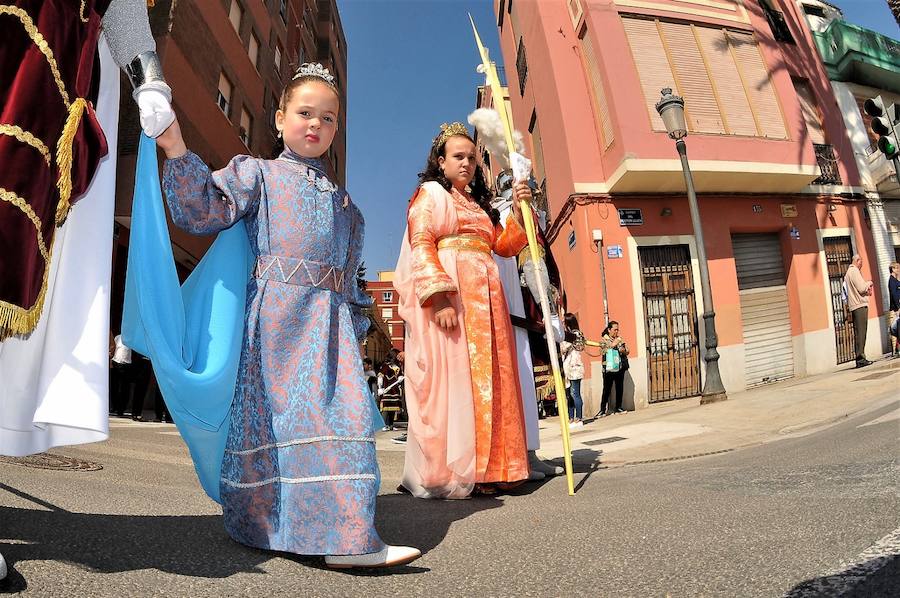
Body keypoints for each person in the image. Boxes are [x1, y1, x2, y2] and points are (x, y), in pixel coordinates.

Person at [152, 63, 418, 568]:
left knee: (341, 418)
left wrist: (358, 324)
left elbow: (351, 278)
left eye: (329, 118)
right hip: (275, 325)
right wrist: (174, 148)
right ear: (279, 118)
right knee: (275, 427)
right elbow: (203, 210)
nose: (315, 125)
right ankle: (266, 525)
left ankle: (347, 538)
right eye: (304, 113)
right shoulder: (258, 174)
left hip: (330, 326)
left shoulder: (348, 206)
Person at [394, 122, 532, 498]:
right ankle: (461, 467)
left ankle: (495, 467)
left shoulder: (479, 205)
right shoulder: (431, 195)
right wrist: (438, 297)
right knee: (461, 382)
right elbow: (421, 241)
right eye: (459, 156)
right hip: (455, 295)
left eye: (472, 157)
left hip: (489, 296)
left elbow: (504, 246)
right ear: (440, 161)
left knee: (494, 379)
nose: (468, 163)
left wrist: (520, 210)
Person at [844, 254, 874, 368]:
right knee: (861, 332)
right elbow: (861, 288)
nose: (861, 265)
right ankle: (860, 358)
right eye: (861, 262)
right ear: (857, 261)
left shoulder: (848, 273)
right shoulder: (854, 271)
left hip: (854, 305)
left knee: (858, 332)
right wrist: (869, 283)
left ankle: (860, 357)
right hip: (859, 305)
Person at [598, 320, 629, 417]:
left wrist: (623, 350)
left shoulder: (620, 339)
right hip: (608, 367)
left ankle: (618, 407)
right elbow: (601, 351)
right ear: (609, 330)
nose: (616, 332)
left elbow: (627, 351)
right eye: (615, 330)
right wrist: (613, 344)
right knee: (606, 389)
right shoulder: (604, 340)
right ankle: (602, 410)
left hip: (619, 367)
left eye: (617, 330)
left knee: (619, 388)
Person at [560, 322, 585, 426]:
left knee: (575, 394)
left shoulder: (576, 335)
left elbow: (564, 348)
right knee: (569, 395)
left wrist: (569, 339)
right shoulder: (566, 335)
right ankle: (570, 417)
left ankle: (579, 417)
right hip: (567, 368)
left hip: (575, 368)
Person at [377, 350, 403, 431]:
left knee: (393, 408)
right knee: (385, 408)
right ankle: (384, 425)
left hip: (395, 390)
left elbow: (400, 375)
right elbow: (380, 377)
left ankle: (391, 425)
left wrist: (400, 378)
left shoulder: (398, 367)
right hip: (386, 389)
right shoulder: (385, 366)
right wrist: (380, 388)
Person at [110, 332, 133, 416]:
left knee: (125, 389)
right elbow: (113, 349)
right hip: (116, 363)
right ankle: (114, 407)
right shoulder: (117, 337)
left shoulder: (131, 338)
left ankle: (122, 408)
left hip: (127, 365)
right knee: (115, 387)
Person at [888, 262, 900, 357]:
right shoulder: (891, 281)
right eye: (897, 268)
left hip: (897, 307)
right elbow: (894, 294)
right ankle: (894, 350)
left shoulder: (895, 280)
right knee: (894, 329)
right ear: (893, 269)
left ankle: (897, 348)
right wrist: (898, 307)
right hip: (895, 309)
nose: (899, 270)